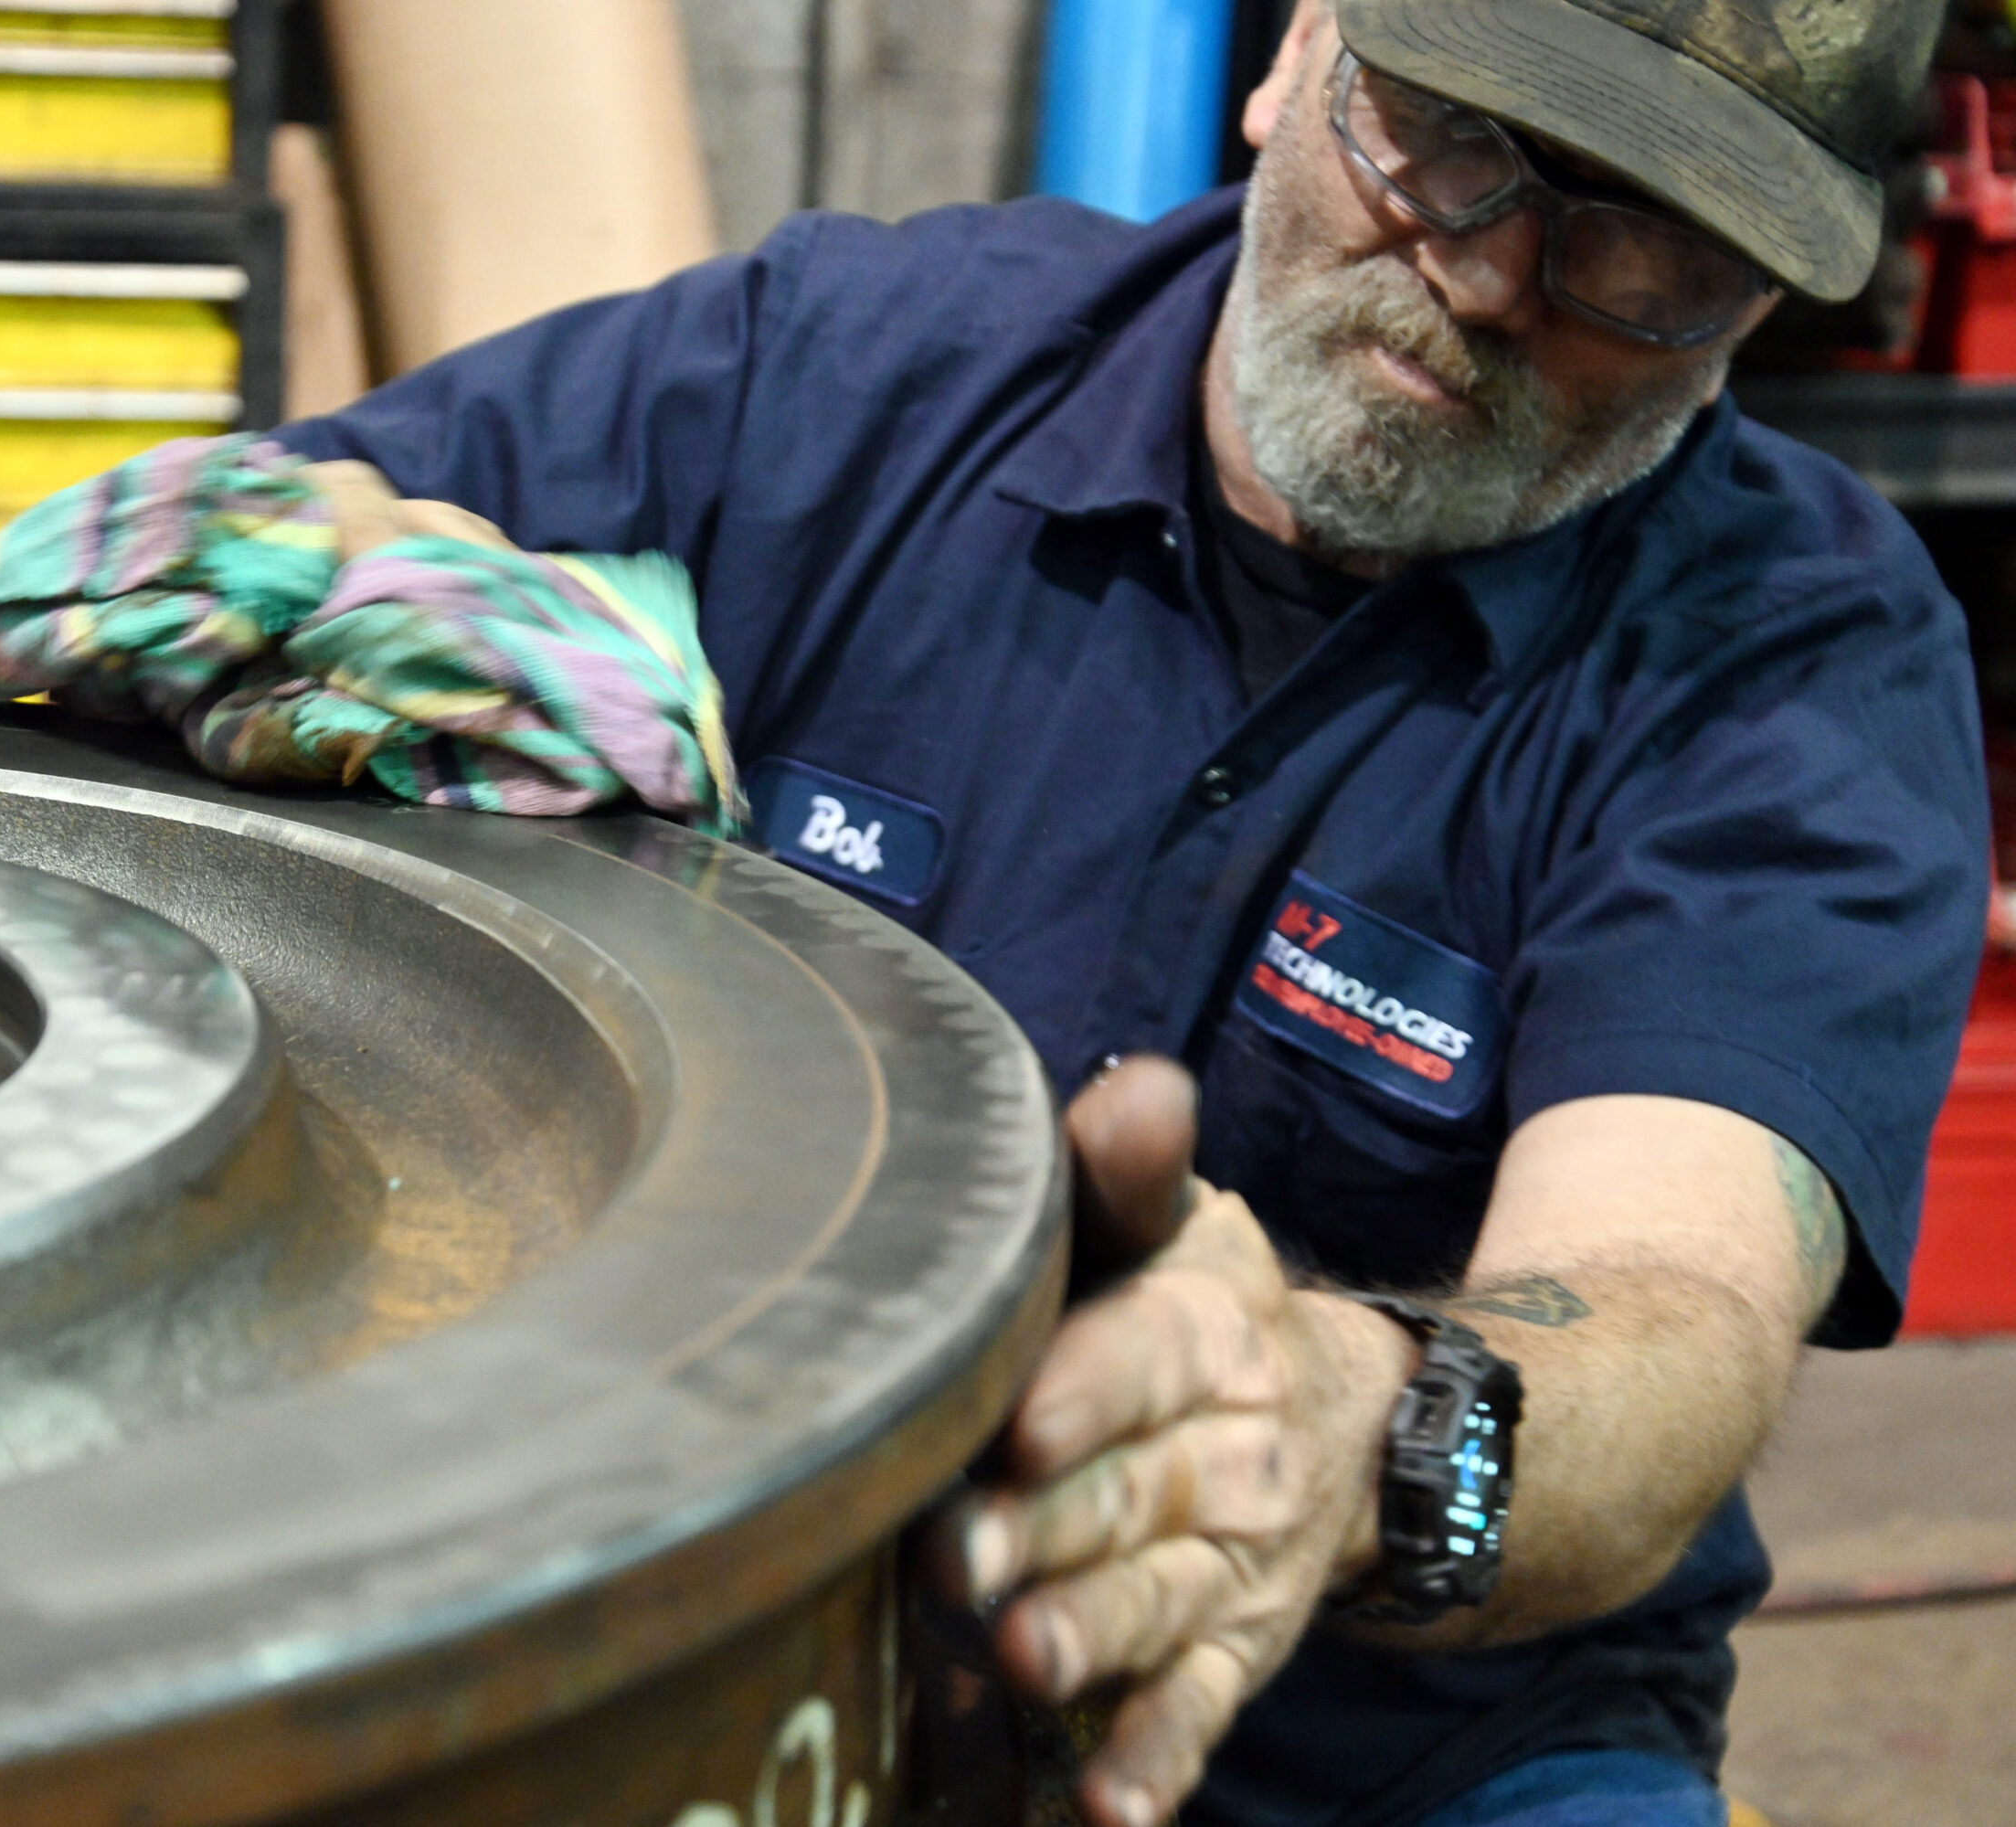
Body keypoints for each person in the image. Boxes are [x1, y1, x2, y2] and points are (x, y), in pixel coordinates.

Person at [271, 0, 1989, 1822]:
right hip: (763, 1635)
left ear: (1756, 307)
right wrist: (316, 603)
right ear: (1297, 53)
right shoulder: (829, 379)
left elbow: (1678, 1296)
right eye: (1450, 140)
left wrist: (1358, 1434)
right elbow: (212, 558)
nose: (1489, 280)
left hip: (1398, 1750)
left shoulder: (1792, 670)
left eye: (1644, 253)